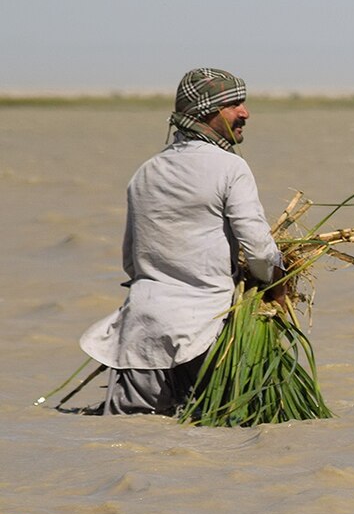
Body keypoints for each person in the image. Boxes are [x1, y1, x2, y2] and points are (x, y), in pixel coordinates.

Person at [80, 68, 282, 415]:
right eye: (234, 103)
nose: (245, 112)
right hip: (202, 333)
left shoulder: (145, 172)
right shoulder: (230, 168)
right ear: (208, 111)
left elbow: (131, 261)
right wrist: (276, 285)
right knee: (214, 435)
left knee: (136, 435)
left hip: (140, 334)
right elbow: (260, 252)